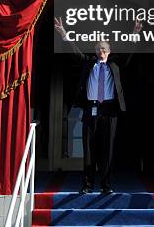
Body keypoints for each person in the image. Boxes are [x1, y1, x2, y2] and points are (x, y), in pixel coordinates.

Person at [54, 16, 141, 195]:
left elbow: (128, 53)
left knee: (107, 148)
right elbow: (74, 51)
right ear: (95, 51)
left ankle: (106, 185)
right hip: (91, 109)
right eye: (98, 49)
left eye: (103, 48)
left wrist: (134, 33)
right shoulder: (88, 63)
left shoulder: (115, 64)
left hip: (109, 110)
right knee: (89, 147)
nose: (101, 51)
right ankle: (87, 185)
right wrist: (63, 33)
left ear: (109, 51)